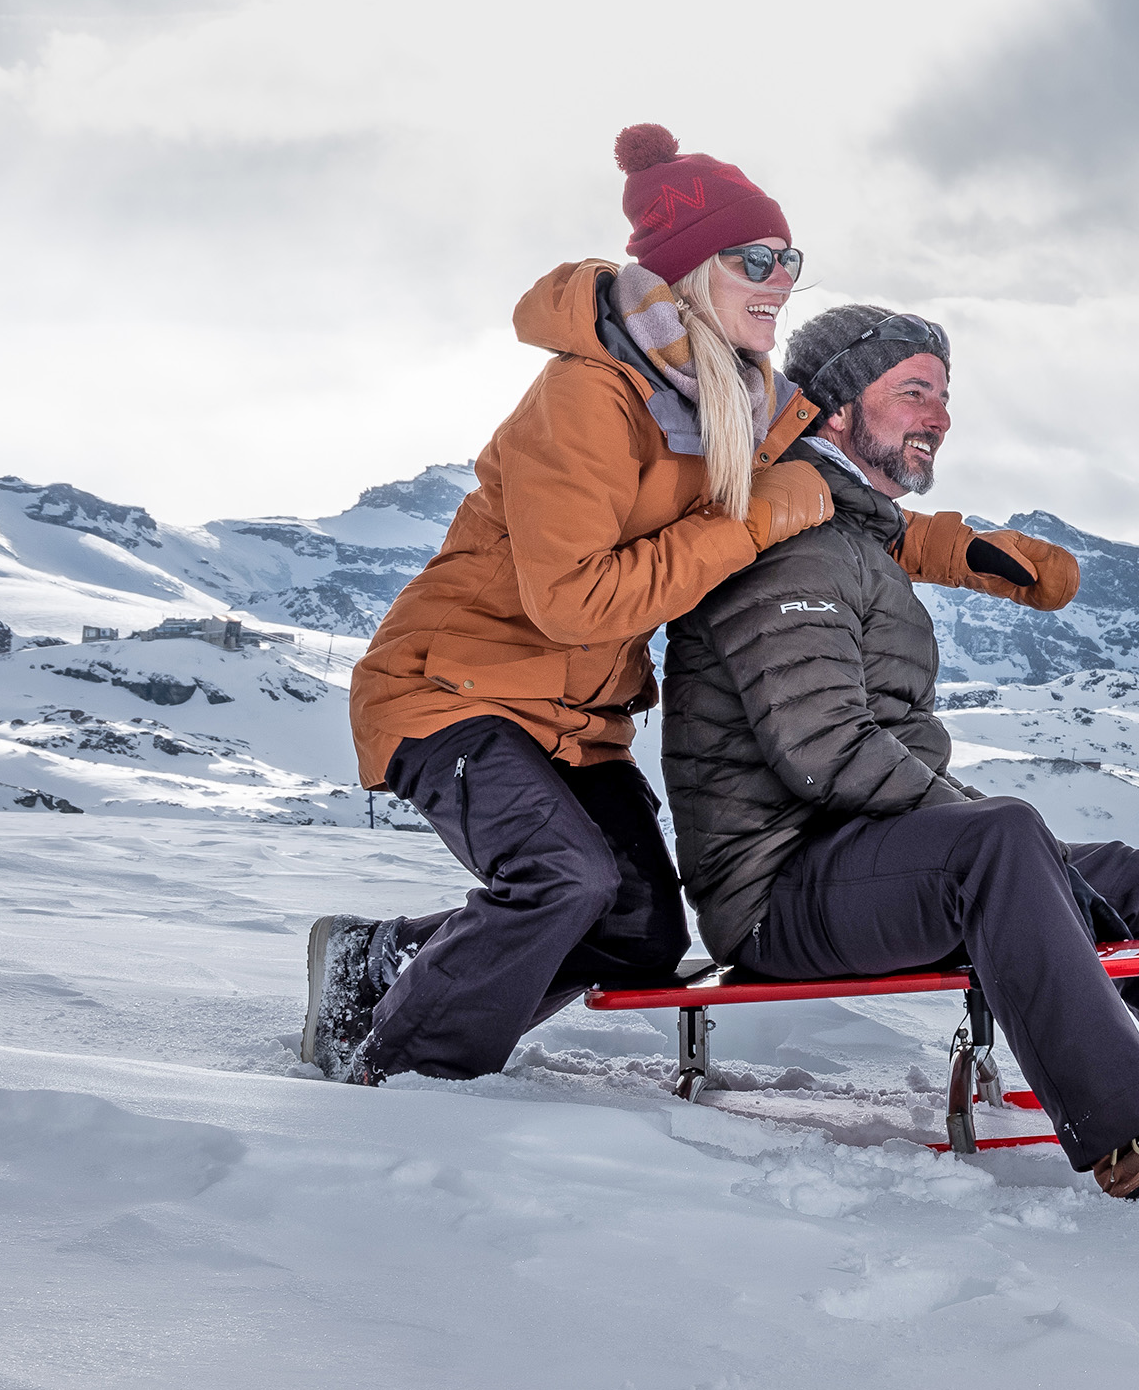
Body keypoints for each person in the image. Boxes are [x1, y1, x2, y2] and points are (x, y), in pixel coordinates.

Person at [659, 302, 1139, 1205]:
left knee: (1115, 873)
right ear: (836, 409)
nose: (939, 415)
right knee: (1006, 840)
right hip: (776, 893)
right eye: (913, 392)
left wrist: (1010, 847)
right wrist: (988, 835)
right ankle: (1132, 1140)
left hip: (849, 860)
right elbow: (821, 749)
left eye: (944, 395)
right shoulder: (788, 544)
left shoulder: (854, 537)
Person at [299, 124, 842, 1084]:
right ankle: (398, 1088)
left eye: (789, 260)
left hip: (574, 720)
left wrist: (968, 548)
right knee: (563, 881)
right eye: (754, 258)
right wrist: (753, 524)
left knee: (634, 933)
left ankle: (377, 960)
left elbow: (838, 497)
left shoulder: (736, 402)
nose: (781, 281)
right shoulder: (589, 394)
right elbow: (574, 601)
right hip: (451, 691)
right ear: (683, 273)